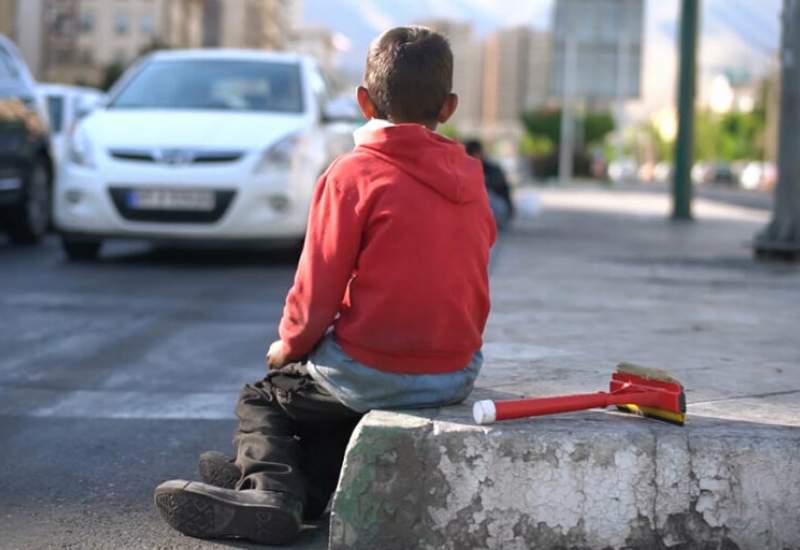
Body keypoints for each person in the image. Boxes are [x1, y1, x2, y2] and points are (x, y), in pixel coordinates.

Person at [153, 26, 496, 546]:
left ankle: (272, 490)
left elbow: (317, 288)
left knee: (266, 397)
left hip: (376, 371)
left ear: (363, 101)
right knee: (331, 396)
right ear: (447, 108)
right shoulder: (472, 179)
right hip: (455, 372)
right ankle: (300, 485)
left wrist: (288, 345)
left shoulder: (354, 174)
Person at [464, 139, 515, 230]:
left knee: (482, 193)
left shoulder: (493, 169)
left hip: (500, 211)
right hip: (490, 213)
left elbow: (489, 185)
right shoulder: (466, 168)